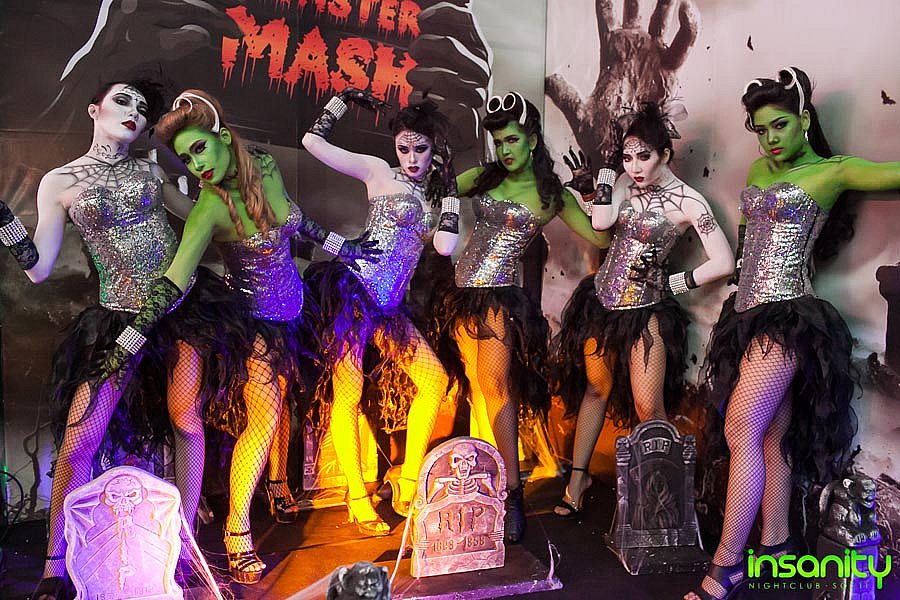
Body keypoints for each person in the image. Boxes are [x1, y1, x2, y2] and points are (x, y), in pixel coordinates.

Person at [102, 88, 378, 584]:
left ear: (224, 139)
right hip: (251, 324)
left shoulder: (266, 166)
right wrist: (131, 337)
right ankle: (237, 532)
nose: (196, 166)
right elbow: (176, 276)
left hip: (294, 314)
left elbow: (298, 220)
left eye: (199, 150)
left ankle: (278, 489)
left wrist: (347, 248)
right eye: (186, 159)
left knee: (286, 412)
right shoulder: (209, 208)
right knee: (264, 421)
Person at [0, 79, 244, 600]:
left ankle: (183, 549)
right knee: (78, 440)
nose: (134, 111)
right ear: (94, 109)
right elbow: (39, 269)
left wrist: (212, 178)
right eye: (123, 100)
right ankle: (54, 566)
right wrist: (4, 223)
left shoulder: (152, 170)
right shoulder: (58, 181)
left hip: (179, 311)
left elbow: (198, 221)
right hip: (117, 320)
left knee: (185, 419)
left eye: (142, 107)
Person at [685, 67, 900, 600]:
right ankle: (776, 547)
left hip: (791, 319)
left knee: (741, 427)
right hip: (747, 315)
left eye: (780, 125)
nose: (770, 139)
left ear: (804, 119)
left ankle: (728, 565)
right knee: (771, 434)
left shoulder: (834, 171)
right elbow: (749, 244)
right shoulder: (759, 168)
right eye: (761, 129)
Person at [429, 92, 609, 542]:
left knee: (496, 386)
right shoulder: (485, 176)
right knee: (477, 387)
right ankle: (486, 486)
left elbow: (601, 240)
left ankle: (513, 494)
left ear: (532, 139)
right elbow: (443, 188)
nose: (505, 149)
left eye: (512, 139)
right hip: (462, 294)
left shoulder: (551, 195)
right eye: (498, 141)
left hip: (499, 299)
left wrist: (592, 194)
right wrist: (441, 193)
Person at [551, 103, 733, 517]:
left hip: (647, 308)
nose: (634, 167)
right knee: (595, 389)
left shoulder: (690, 201)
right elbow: (601, 224)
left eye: (644, 157)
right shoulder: (620, 181)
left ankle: (662, 498)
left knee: (648, 406)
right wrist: (597, 182)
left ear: (665, 154)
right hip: (602, 301)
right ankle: (578, 480)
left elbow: (723, 261)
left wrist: (678, 283)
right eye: (627, 157)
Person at [301, 91, 457, 537]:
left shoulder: (434, 194)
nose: (411, 158)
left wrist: (450, 194)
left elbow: (445, 246)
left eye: (421, 149)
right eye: (404, 148)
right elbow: (312, 143)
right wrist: (340, 101)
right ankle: (357, 497)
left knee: (434, 380)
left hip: (389, 306)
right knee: (348, 394)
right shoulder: (377, 171)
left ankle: (409, 483)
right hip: (354, 294)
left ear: (434, 148)